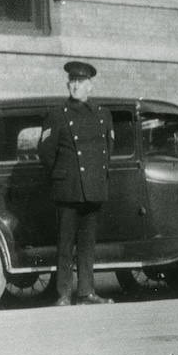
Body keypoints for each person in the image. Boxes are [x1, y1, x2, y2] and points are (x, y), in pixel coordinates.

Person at [38, 60, 114, 306]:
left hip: (92, 188)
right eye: (72, 82)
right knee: (65, 243)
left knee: (87, 244)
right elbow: (45, 152)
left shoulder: (102, 114)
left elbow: (107, 150)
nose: (75, 86)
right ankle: (63, 293)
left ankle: (86, 292)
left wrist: (96, 176)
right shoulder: (57, 114)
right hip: (68, 188)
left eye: (80, 82)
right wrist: (62, 174)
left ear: (90, 86)